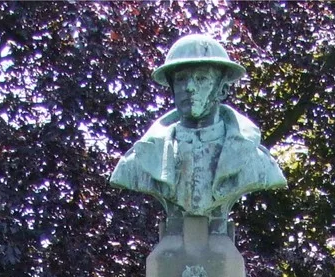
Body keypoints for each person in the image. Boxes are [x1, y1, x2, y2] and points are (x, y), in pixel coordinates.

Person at [110, 34, 286, 233]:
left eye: (201, 78)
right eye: (181, 79)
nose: (190, 87)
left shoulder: (256, 162)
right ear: (172, 89)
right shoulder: (138, 161)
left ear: (222, 90)